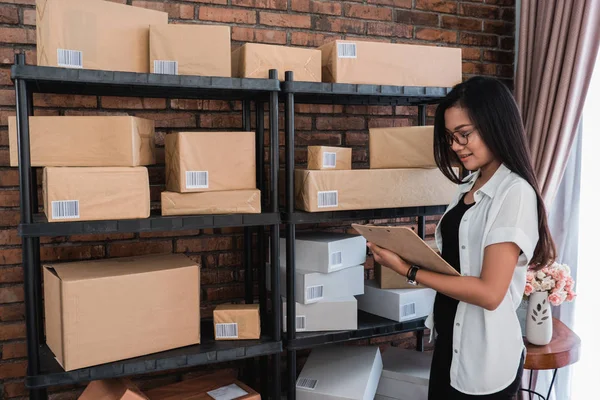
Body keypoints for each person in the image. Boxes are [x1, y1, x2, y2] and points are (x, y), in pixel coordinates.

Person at [366, 76, 557, 399]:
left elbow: (489, 292)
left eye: (464, 134)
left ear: (495, 124)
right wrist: (409, 251)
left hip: (484, 359)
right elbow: (460, 260)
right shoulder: (469, 184)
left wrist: (409, 271)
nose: (455, 146)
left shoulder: (514, 193)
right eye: (450, 137)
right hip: (450, 343)